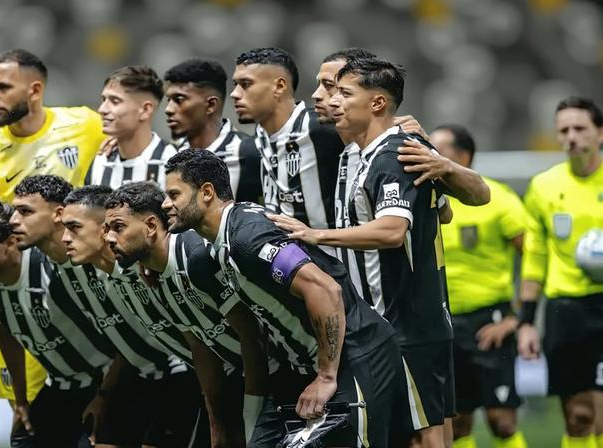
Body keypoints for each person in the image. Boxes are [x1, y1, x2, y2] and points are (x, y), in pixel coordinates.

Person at [270, 57, 454, 447]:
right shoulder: (357, 156)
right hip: (381, 324)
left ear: (377, 104)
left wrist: (316, 235)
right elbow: (444, 208)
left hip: (407, 323)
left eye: (344, 92)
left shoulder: (395, 155)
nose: (334, 100)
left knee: (425, 436)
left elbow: (392, 230)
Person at [163, 149, 402, 447]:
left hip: (354, 357)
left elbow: (325, 289)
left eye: (174, 194)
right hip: (300, 371)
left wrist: (326, 376)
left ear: (207, 192)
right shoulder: (220, 242)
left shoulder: (246, 237)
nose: (165, 204)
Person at [230, 47, 488, 258]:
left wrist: (443, 167)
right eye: (322, 86)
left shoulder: (391, 145)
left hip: (375, 291)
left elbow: (448, 211)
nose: (321, 96)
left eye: (335, 88)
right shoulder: (268, 135)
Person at [0, 48, 107, 410]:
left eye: (3, 87)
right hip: (23, 298)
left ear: (35, 90)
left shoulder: (85, 124)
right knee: (27, 418)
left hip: (84, 283)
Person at [103, 181, 275, 445]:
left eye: (118, 228)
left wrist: (252, 414)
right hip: (244, 373)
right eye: (106, 229)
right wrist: (216, 424)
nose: (108, 238)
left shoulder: (195, 257)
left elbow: (253, 338)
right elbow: (200, 348)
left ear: (151, 227)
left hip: (284, 367)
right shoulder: (153, 274)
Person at [0, 200, 113, 447]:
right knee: (22, 441)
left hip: (106, 380)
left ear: (11, 242)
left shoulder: (51, 269)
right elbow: (8, 335)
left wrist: (104, 395)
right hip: (61, 384)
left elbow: (116, 327)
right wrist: (21, 401)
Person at [59, 184, 211, 447]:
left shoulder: (151, 267)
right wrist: (105, 394)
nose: (65, 238)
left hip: (194, 374)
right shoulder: (100, 274)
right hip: (150, 377)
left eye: (74, 228)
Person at [431, 125, 529, 448]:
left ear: (463, 157)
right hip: (444, 323)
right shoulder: (426, 200)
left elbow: (535, 257)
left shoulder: (498, 198)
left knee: (502, 422)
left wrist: (517, 318)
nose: (429, 153)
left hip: (491, 321)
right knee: (457, 424)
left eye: (438, 148)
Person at [518, 96, 603, 448]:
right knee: (579, 415)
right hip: (565, 310)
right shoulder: (544, 186)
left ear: (600, 133)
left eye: (580, 128)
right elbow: (535, 256)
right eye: (563, 130)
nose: (571, 137)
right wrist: (526, 321)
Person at [163, 58, 262, 203]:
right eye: (168, 100)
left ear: (210, 105)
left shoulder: (249, 152)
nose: (168, 109)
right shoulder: (172, 154)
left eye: (179, 99)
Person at [86, 65, 176, 189]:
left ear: (145, 110)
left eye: (115, 101)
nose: (102, 109)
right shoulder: (101, 161)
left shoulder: (171, 163)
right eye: (103, 99)